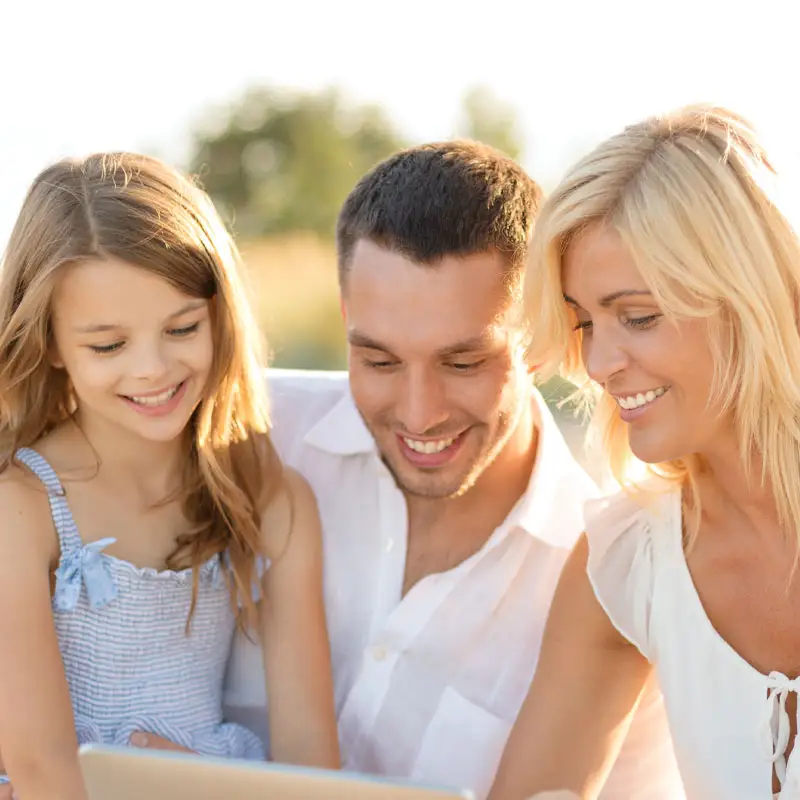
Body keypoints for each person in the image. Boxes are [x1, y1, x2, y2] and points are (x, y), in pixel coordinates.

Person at [202, 141, 681, 799]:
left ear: (541, 339)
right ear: (347, 323)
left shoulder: (607, 584)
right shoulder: (239, 436)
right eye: (379, 361)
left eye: (462, 364)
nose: (420, 414)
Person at [0, 153, 339, 800]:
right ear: (48, 341)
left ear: (219, 315)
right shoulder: (22, 506)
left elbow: (310, 763)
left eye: (181, 327)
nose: (152, 369)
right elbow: (43, 768)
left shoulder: (268, 495)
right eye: (108, 345)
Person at [487, 105, 800, 800]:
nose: (598, 363)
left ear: (751, 299)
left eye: (638, 317)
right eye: (584, 322)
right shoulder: (631, 558)